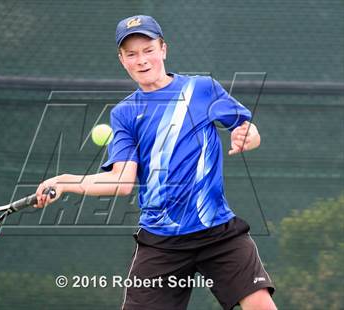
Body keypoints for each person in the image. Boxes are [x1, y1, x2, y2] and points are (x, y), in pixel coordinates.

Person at [35, 15, 276, 310]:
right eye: (132, 54)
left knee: (260, 305)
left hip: (218, 233)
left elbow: (248, 129)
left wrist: (249, 135)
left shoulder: (202, 89)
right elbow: (122, 183)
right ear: (122, 60)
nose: (142, 60)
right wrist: (64, 181)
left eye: (148, 49)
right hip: (162, 242)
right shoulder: (124, 114)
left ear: (163, 49)